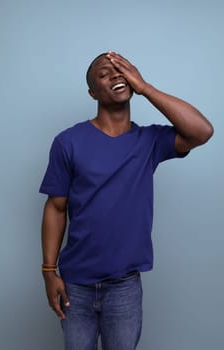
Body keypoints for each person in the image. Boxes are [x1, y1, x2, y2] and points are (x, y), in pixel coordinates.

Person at [39, 51, 213, 350]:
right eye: (105, 73)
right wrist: (48, 271)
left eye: (122, 70)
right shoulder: (68, 142)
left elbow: (202, 131)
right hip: (75, 285)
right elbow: (56, 208)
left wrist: (145, 87)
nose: (116, 75)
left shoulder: (150, 141)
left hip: (124, 286)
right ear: (92, 91)